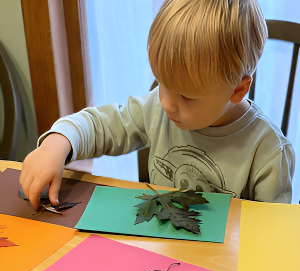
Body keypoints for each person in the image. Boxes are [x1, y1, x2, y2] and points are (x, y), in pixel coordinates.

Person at [20, 0, 295, 210]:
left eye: (187, 96)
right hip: (161, 253)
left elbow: (270, 241)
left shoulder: (269, 153)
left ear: (237, 90)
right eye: (162, 83)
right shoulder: (155, 109)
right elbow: (100, 125)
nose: (166, 103)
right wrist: (57, 144)